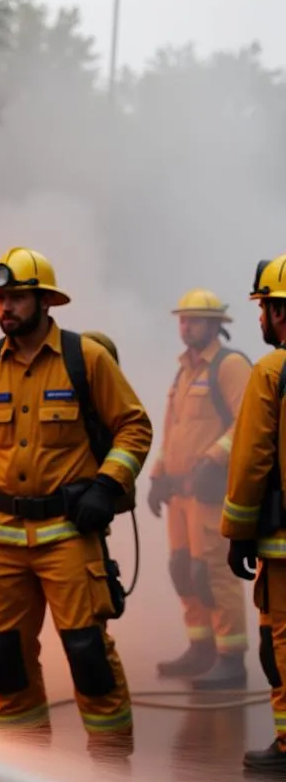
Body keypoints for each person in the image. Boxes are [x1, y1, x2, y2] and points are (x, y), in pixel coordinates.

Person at [0, 247, 152, 753]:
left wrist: (106, 486)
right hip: (2, 541)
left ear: (45, 301)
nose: (4, 307)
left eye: (15, 297)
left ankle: (113, 776)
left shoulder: (85, 359)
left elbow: (133, 427)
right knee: (4, 660)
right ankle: (27, 772)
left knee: (88, 656)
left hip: (69, 537)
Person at [148, 290, 250, 689]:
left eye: (193, 319)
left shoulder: (230, 365)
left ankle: (231, 658)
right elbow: (173, 432)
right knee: (183, 571)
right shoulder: (184, 371)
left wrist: (213, 458)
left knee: (213, 573)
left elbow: (247, 421)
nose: (185, 326)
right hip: (180, 495)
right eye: (182, 319)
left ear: (215, 325)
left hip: (208, 493)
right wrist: (158, 474)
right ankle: (201, 648)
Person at [222, 255, 286, 772]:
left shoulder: (272, 371)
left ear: (280, 312)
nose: (260, 319)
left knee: (280, 643)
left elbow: (251, 460)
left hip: (283, 545)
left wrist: (238, 533)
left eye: (263, 307)